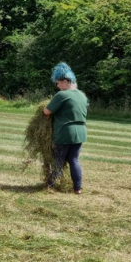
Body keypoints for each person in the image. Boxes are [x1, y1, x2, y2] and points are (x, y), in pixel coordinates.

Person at [42, 62, 87, 194]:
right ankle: (77, 188)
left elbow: (46, 111)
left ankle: (51, 186)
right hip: (80, 133)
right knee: (74, 159)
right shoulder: (81, 95)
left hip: (64, 132)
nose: (57, 85)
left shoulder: (62, 95)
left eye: (58, 82)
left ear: (65, 81)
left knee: (58, 160)